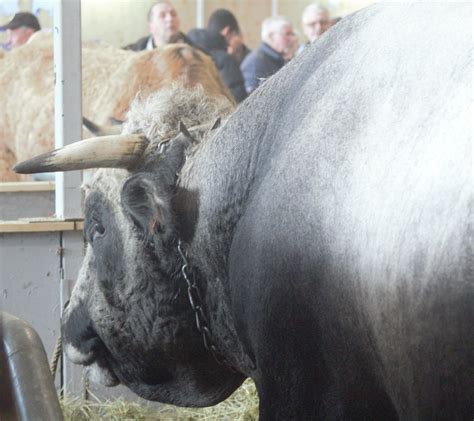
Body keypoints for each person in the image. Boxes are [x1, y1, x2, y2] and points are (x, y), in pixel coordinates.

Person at [187, 9, 247, 103]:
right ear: (227, 32)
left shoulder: (187, 48)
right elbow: (239, 100)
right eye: (235, 35)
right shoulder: (226, 60)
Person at [240, 16, 295, 94]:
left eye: (292, 34)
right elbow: (253, 100)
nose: (292, 39)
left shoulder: (279, 59)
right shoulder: (255, 62)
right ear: (271, 36)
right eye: (287, 34)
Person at [124, 1, 194, 51]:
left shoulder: (198, 54)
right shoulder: (131, 54)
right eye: (162, 16)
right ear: (151, 27)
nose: (170, 19)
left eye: (173, 14)